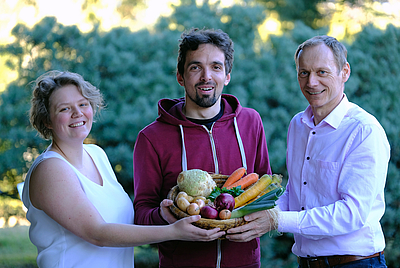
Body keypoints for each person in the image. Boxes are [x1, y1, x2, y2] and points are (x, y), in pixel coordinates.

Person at [22, 70, 225, 268]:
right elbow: (97, 233)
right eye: (64, 109)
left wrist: (163, 216)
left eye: (83, 104)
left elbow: (118, 223)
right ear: (47, 119)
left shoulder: (96, 154)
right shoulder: (50, 169)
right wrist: (174, 231)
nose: (78, 113)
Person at [227, 35, 390, 267]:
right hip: (305, 262)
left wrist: (275, 220)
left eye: (322, 72)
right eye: (304, 73)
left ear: (345, 72)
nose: (311, 82)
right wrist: (249, 214)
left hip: (357, 263)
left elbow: (351, 214)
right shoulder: (298, 125)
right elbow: (295, 194)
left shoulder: (364, 131)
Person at [133, 28, 272, 268]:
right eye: (195, 67)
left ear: (227, 75)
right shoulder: (152, 138)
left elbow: (266, 190)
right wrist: (165, 218)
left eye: (216, 67)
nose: (206, 76)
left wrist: (266, 221)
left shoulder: (251, 122)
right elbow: (142, 213)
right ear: (180, 76)